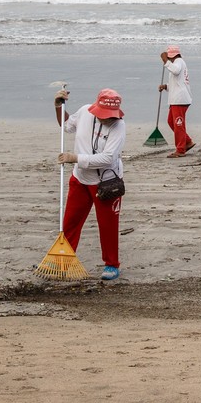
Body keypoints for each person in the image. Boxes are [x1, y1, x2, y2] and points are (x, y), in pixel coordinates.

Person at [53, 87, 127, 281]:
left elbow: (107, 158)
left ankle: (112, 264)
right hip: (80, 179)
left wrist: (74, 157)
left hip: (106, 183)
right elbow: (67, 125)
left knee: (108, 225)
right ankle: (64, 259)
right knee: (70, 221)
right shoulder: (85, 111)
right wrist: (58, 107)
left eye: (110, 115)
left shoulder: (119, 126)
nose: (107, 118)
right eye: (104, 114)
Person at [158, 45, 195, 158]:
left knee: (178, 124)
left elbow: (175, 70)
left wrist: (165, 61)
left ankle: (180, 150)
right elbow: (177, 83)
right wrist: (166, 86)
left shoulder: (178, 61)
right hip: (177, 98)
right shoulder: (177, 63)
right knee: (171, 121)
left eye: (169, 57)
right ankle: (187, 142)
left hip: (180, 99)